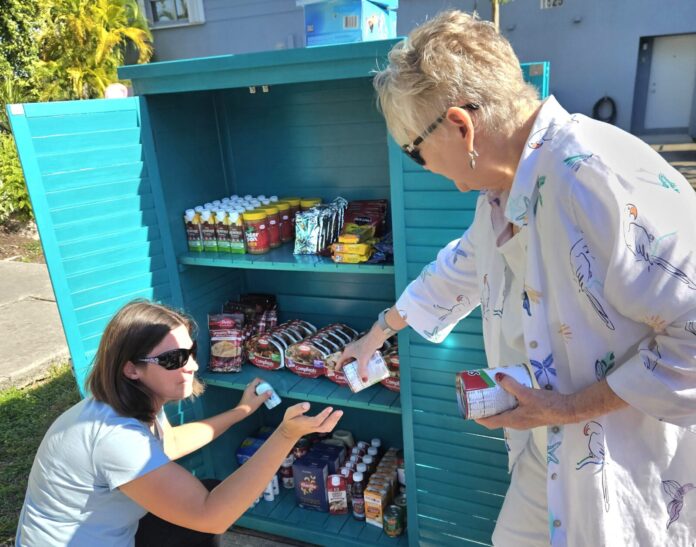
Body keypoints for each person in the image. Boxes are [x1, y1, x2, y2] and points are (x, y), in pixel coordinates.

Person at [337, 10, 696, 546]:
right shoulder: (508, 190)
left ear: (461, 125)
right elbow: (459, 268)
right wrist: (378, 332)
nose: (423, 164)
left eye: (415, 149)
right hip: (552, 453)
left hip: (624, 474)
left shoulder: (594, 176)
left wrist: (570, 408)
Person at [16, 300, 343, 546]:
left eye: (190, 351)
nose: (191, 366)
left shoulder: (134, 399)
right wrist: (286, 435)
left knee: (208, 493)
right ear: (131, 368)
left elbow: (168, 444)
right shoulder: (115, 436)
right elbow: (212, 516)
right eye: (173, 359)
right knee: (203, 510)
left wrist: (241, 411)